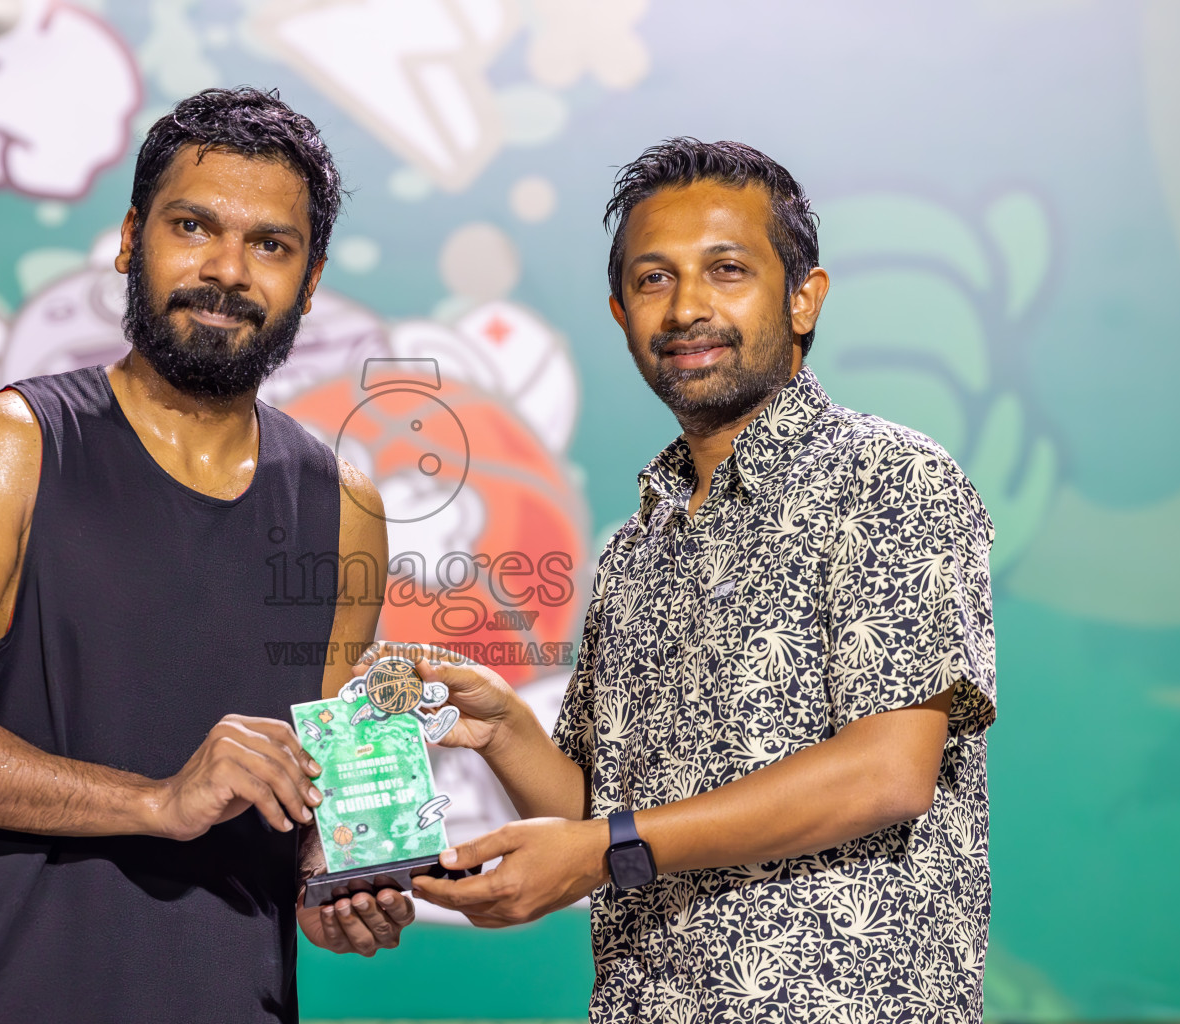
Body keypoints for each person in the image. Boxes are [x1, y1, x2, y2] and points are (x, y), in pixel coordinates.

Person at [387, 139, 997, 1022]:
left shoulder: (889, 477)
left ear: (803, 300)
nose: (687, 307)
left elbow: (887, 774)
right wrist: (506, 728)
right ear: (619, 311)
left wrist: (606, 848)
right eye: (653, 279)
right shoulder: (638, 545)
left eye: (726, 270)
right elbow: (602, 816)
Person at [0, 88, 412, 1024]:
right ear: (128, 239)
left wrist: (336, 879)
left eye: (270, 245)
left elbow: (310, 801)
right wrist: (159, 801)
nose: (226, 270)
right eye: (193, 226)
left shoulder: (345, 507)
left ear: (309, 283)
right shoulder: (9, 446)